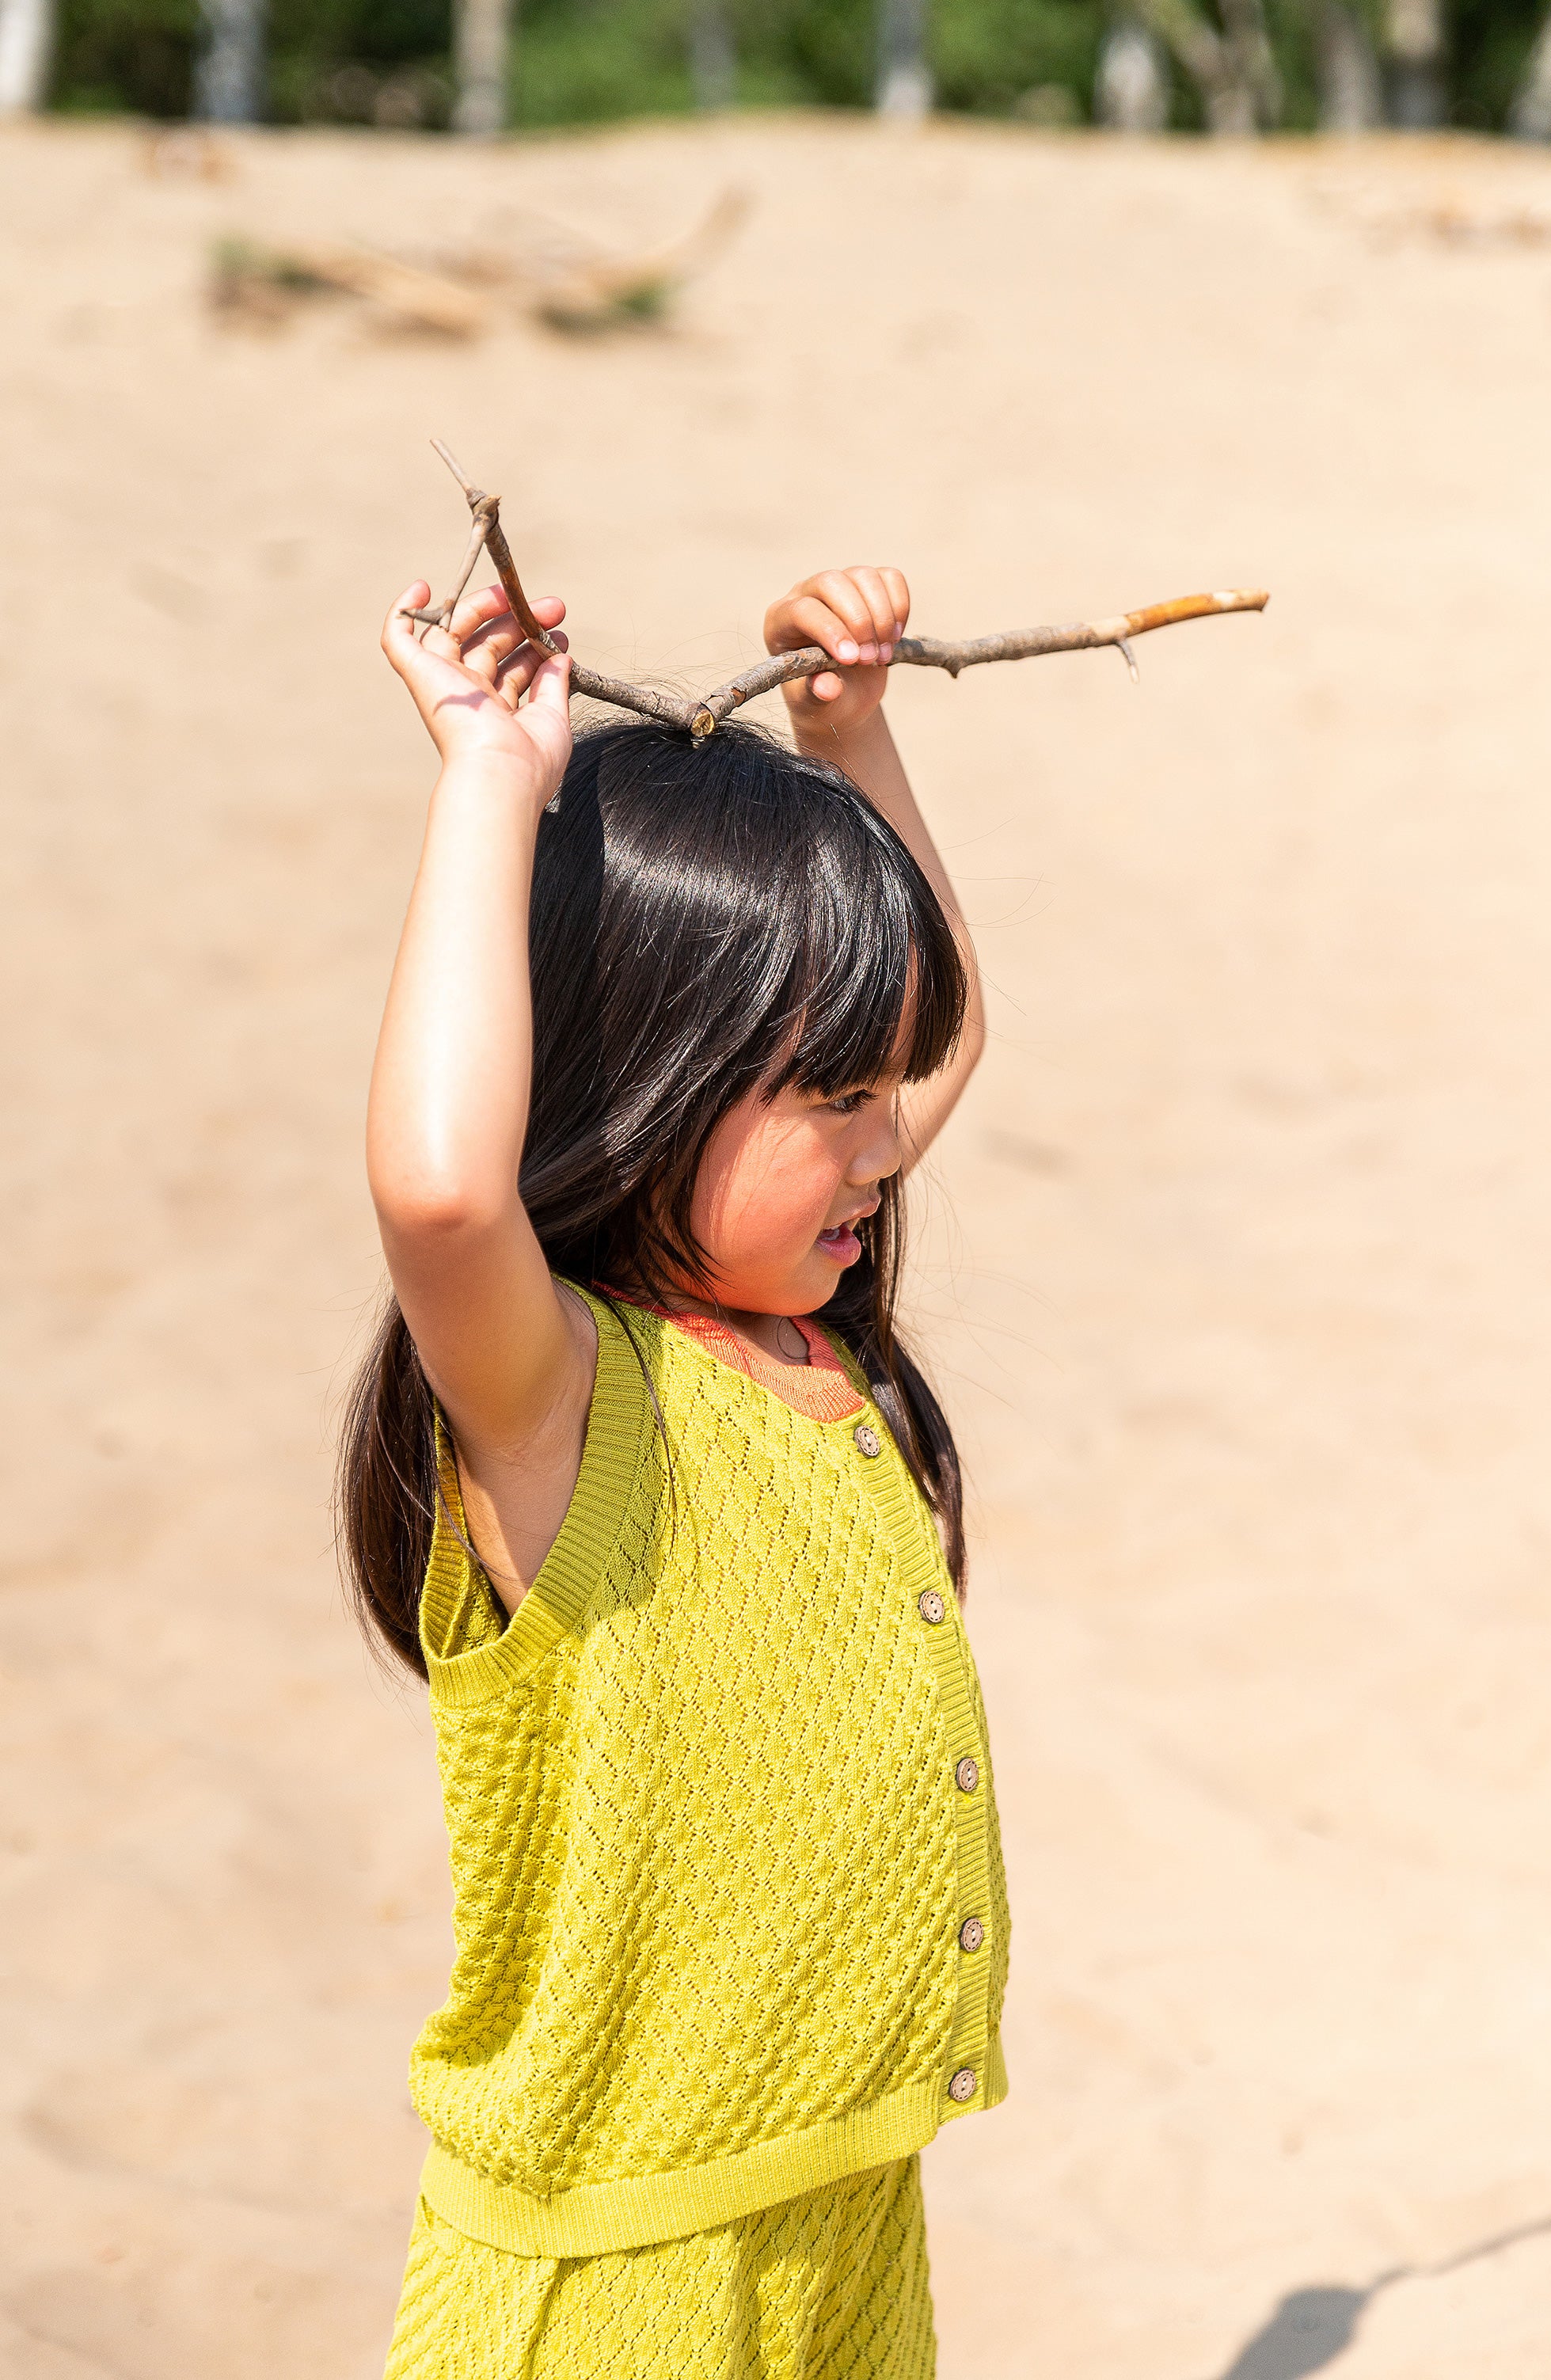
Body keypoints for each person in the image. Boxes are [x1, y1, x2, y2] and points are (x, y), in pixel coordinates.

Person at [340, 557, 1011, 2380]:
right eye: (827, 1098)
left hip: (844, 2210)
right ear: (646, 1071)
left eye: (884, 1091)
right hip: (618, 2274)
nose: (886, 1143)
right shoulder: (562, 1400)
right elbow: (444, 1188)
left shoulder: (813, 1337)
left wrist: (845, 730)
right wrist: (494, 777)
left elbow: (928, 1044)